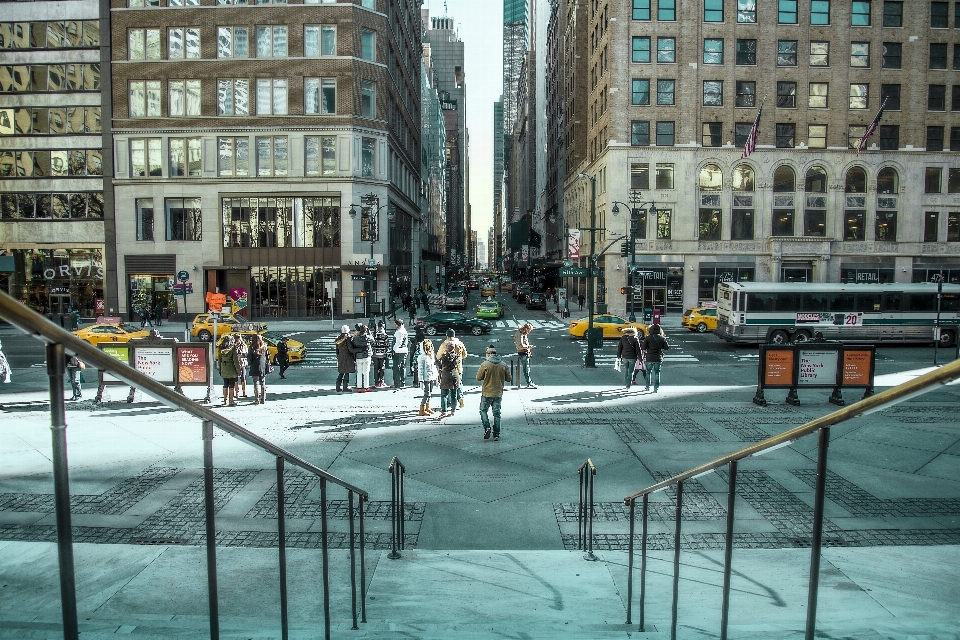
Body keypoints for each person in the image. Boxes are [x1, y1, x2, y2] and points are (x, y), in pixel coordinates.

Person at [476, 345, 511, 441]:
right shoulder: (503, 364)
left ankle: (487, 427)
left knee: (483, 410)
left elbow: (478, 378)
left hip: (487, 392)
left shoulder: (485, 364)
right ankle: (496, 434)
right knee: (497, 414)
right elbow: (509, 379)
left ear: (488, 354)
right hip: (498, 392)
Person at [436, 328, 468, 408]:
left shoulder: (445, 344)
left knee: (449, 386)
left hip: (447, 369)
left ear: (447, 335)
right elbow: (465, 355)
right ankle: (460, 397)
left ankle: (449, 403)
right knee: (459, 383)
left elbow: (438, 356)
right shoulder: (460, 343)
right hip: (458, 367)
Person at [436, 333, 463, 419]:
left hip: (445, 375)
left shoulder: (444, 357)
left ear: (447, 348)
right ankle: (453, 411)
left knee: (444, 394)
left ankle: (444, 411)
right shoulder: (457, 356)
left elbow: (440, 364)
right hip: (455, 375)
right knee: (454, 394)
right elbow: (458, 362)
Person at [641, 324, 669, 393]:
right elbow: (666, 347)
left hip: (649, 357)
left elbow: (643, 348)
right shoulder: (662, 338)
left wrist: (647, 351)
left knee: (648, 372)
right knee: (657, 373)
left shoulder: (648, 338)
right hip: (658, 358)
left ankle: (647, 386)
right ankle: (656, 388)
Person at [218, 334, 241, 406]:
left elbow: (219, 360)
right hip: (231, 368)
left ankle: (225, 400)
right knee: (231, 385)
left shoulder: (221, 348)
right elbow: (235, 361)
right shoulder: (232, 348)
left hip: (224, 367)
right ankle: (231, 400)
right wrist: (238, 371)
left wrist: (220, 370)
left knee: (225, 384)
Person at [417, 339, 438, 415]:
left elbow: (434, 367)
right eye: (427, 347)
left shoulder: (431, 356)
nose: (429, 348)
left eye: (430, 346)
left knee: (430, 393)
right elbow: (420, 369)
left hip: (431, 377)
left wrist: (436, 377)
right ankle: (421, 409)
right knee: (427, 394)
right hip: (426, 378)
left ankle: (427, 407)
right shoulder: (422, 357)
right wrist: (421, 381)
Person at [513, 322, 537, 388]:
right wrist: (528, 347)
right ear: (526, 329)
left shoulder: (522, 333)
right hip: (523, 353)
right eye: (529, 330)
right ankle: (529, 383)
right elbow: (520, 345)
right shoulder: (520, 334)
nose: (529, 332)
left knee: (526, 368)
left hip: (524, 352)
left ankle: (529, 383)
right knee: (526, 369)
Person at [248, 333, 269, 404]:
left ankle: (257, 399)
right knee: (262, 382)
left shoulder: (252, 347)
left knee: (256, 383)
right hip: (262, 366)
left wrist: (249, 363)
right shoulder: (264, 346)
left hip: (254, 366)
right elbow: (268, 356)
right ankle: (263, 399)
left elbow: (249, 358)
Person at [334, 324, 356, 392]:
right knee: (346, 372)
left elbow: (337, 350)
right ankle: (345, 387)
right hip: (348, 357)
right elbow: (350, 349)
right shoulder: (348, 338)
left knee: (341, 372)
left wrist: (338, 356)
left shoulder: (338, 339)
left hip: (341, 357)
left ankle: (338, 387)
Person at [352, 323, 373, 392]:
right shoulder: (368, 337)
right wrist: (369, 332)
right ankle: (366, 387)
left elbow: (354, 344)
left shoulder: (356, 337)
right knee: (366, 372)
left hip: (359, 356)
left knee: (359, 372)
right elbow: (373, 341)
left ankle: (359, 387)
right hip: (366, 355)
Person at [372, 322, 390, 388]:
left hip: (375, 354)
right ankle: (381, 381)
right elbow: (387, 345)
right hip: (382, 354)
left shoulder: (374, 334)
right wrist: (385, 350)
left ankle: (376, 382)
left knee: (376, 368)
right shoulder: (385, 335)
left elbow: (372, 344)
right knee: (382, 368)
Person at [391, 319, 408, 388]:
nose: (394, 325)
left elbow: (399, 342)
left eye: (395, 324)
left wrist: (393, 349)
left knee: (396, 368)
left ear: (398, 324)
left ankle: (397, 383)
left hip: (398, 351)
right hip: (404, 350)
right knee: (402, 367)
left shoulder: (399, 332)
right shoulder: (404, 331)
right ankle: (402, 382)